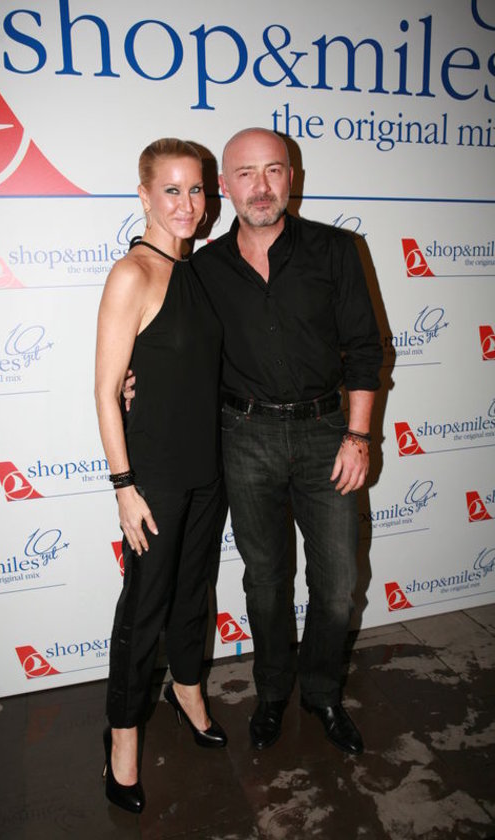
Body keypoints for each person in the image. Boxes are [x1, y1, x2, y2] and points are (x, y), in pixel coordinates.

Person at [190, 128, 383, 755]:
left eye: (273, 170)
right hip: (244, 436)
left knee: (337, 583)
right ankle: (272, 690)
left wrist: (358, 435)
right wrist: (136, 380)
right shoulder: (203, 269)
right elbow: (183, 352)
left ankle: (322, 692)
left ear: (291, 178)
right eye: (246, 173)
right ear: (225, 186)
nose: (261, 186)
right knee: (267, 579)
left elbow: (365, 349)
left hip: (328, 434)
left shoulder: (335, 250)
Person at [94, 138, 227, 814]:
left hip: (209, 468)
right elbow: (104, 390)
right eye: (171, 189)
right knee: (143, 606)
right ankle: (122, 738)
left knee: (193, 593)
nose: (186, 203)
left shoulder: (197, 271)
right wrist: (124, 487)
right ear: (144, 195)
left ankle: (188, 691)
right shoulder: (132, 274)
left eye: (196, 189)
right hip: (154, 478)